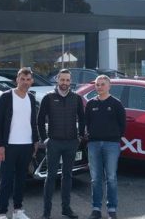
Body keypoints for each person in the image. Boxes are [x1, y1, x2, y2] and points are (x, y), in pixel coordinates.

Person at [37, 68, 85, 219]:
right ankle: (46, 213)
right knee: (50, 177)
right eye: (62, 80)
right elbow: (39, 120)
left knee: (67, 176)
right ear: (57, 80)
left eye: (67, 80)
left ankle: (66, 209)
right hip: (54, 143)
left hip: (71, 143)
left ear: (70, 81)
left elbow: (82, 118)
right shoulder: (48, 97)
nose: (64, 83)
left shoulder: (76, 98)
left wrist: (80, 136)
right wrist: (45, 139)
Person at [0, 67, 39, 219]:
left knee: (21, 179)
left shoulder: (31, 98)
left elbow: (33, 122)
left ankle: (18, 210)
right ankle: (2, 213)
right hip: (9, 146)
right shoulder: (6, 97)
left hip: (26, 145)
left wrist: (35, 141)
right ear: (17, 80)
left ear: (31, 81)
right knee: (6, 180)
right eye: (22, 79)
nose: (25, 82)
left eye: (28, 80)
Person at [84, 75, 125, 219]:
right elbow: (86, 123)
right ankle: (96, 209)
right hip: (94, 144)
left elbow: (122, 125)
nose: (99, 87)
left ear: (109, 86)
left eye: (102, 84)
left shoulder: (116, 104)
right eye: (97, 84)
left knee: (111, 177)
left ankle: (112, 209)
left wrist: (113, 137)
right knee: (95, 178)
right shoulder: (90, 104)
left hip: (111, 145)